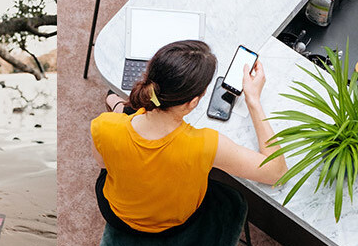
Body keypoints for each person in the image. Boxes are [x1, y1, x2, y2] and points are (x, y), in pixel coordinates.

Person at [91, 40, 288, 234]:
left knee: (124, 117)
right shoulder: (206, 144)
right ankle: (119, 105)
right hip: (175, 224)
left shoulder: (102, 125)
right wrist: (253, 100)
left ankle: (116, 104)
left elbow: (104, 166)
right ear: (193, 102)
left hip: (116, 214)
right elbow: (277, 173)